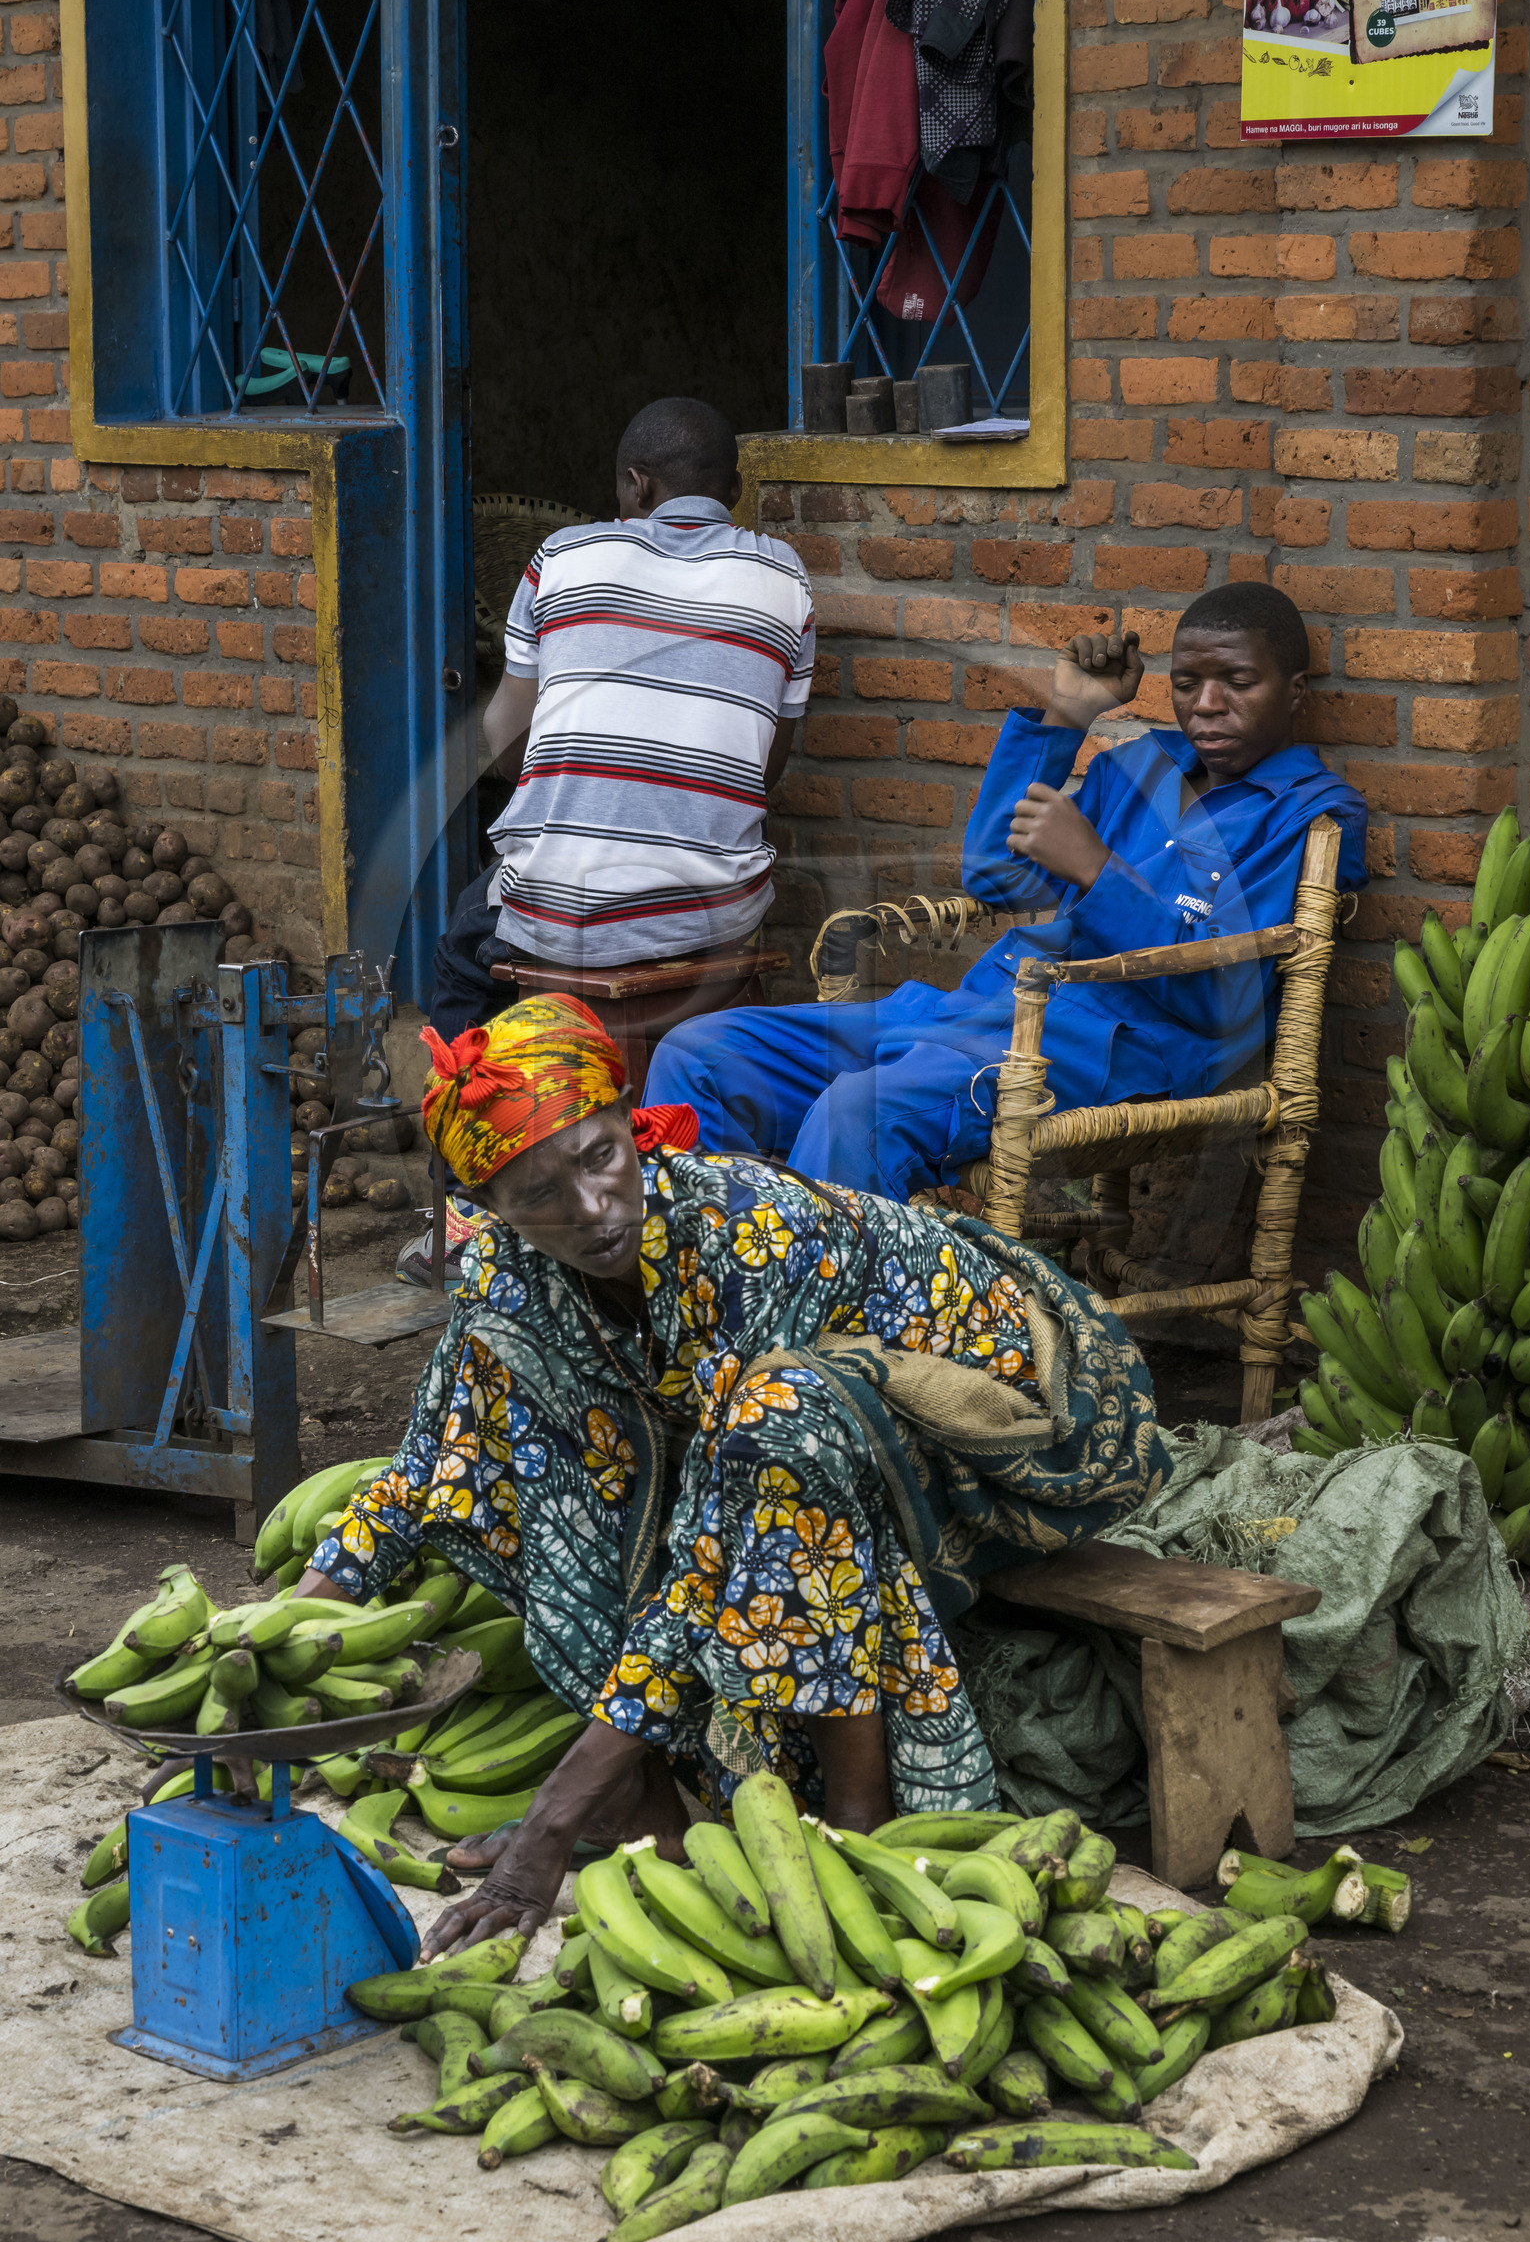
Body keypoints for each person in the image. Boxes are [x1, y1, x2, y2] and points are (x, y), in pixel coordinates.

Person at [295, 994, 1168, 1957]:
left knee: (773, 1430)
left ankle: (859, 1814)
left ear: (633, 1129)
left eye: (601, 1157)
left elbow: (714, 1557)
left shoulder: (748, 1237)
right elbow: (431, 1468)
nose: (592, 1210)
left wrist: (548, 1819)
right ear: (487, 1209)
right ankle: (651, 1809)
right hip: (823, 1432)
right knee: (522, 1438)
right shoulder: (510, 1270)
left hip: (1019, 1437)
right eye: (539, 1192)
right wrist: (281, 1631)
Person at [641, 582, 1369, 1201]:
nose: (1207, 705)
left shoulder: (1306, 815)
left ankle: (821, 1352)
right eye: (1185, 684)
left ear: (1294, 691)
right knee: (699, 1054)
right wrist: (1068, 717)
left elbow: (1225, 1000)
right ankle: (705, 1289)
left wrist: (1095, 870)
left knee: (858, 1114)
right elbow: (996, 873)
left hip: (1093, 1056)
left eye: (1238, 683)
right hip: (967, 1017)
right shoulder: (1143, 767)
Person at [429, 396, 815, 1039]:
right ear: (736, 491)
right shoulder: (787, 579)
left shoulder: (561, 558)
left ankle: (473, 1126)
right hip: (717, 912)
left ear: (637, 484)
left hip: (567, 912)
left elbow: (504, 749)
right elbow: (764, 768)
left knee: (461, 957)